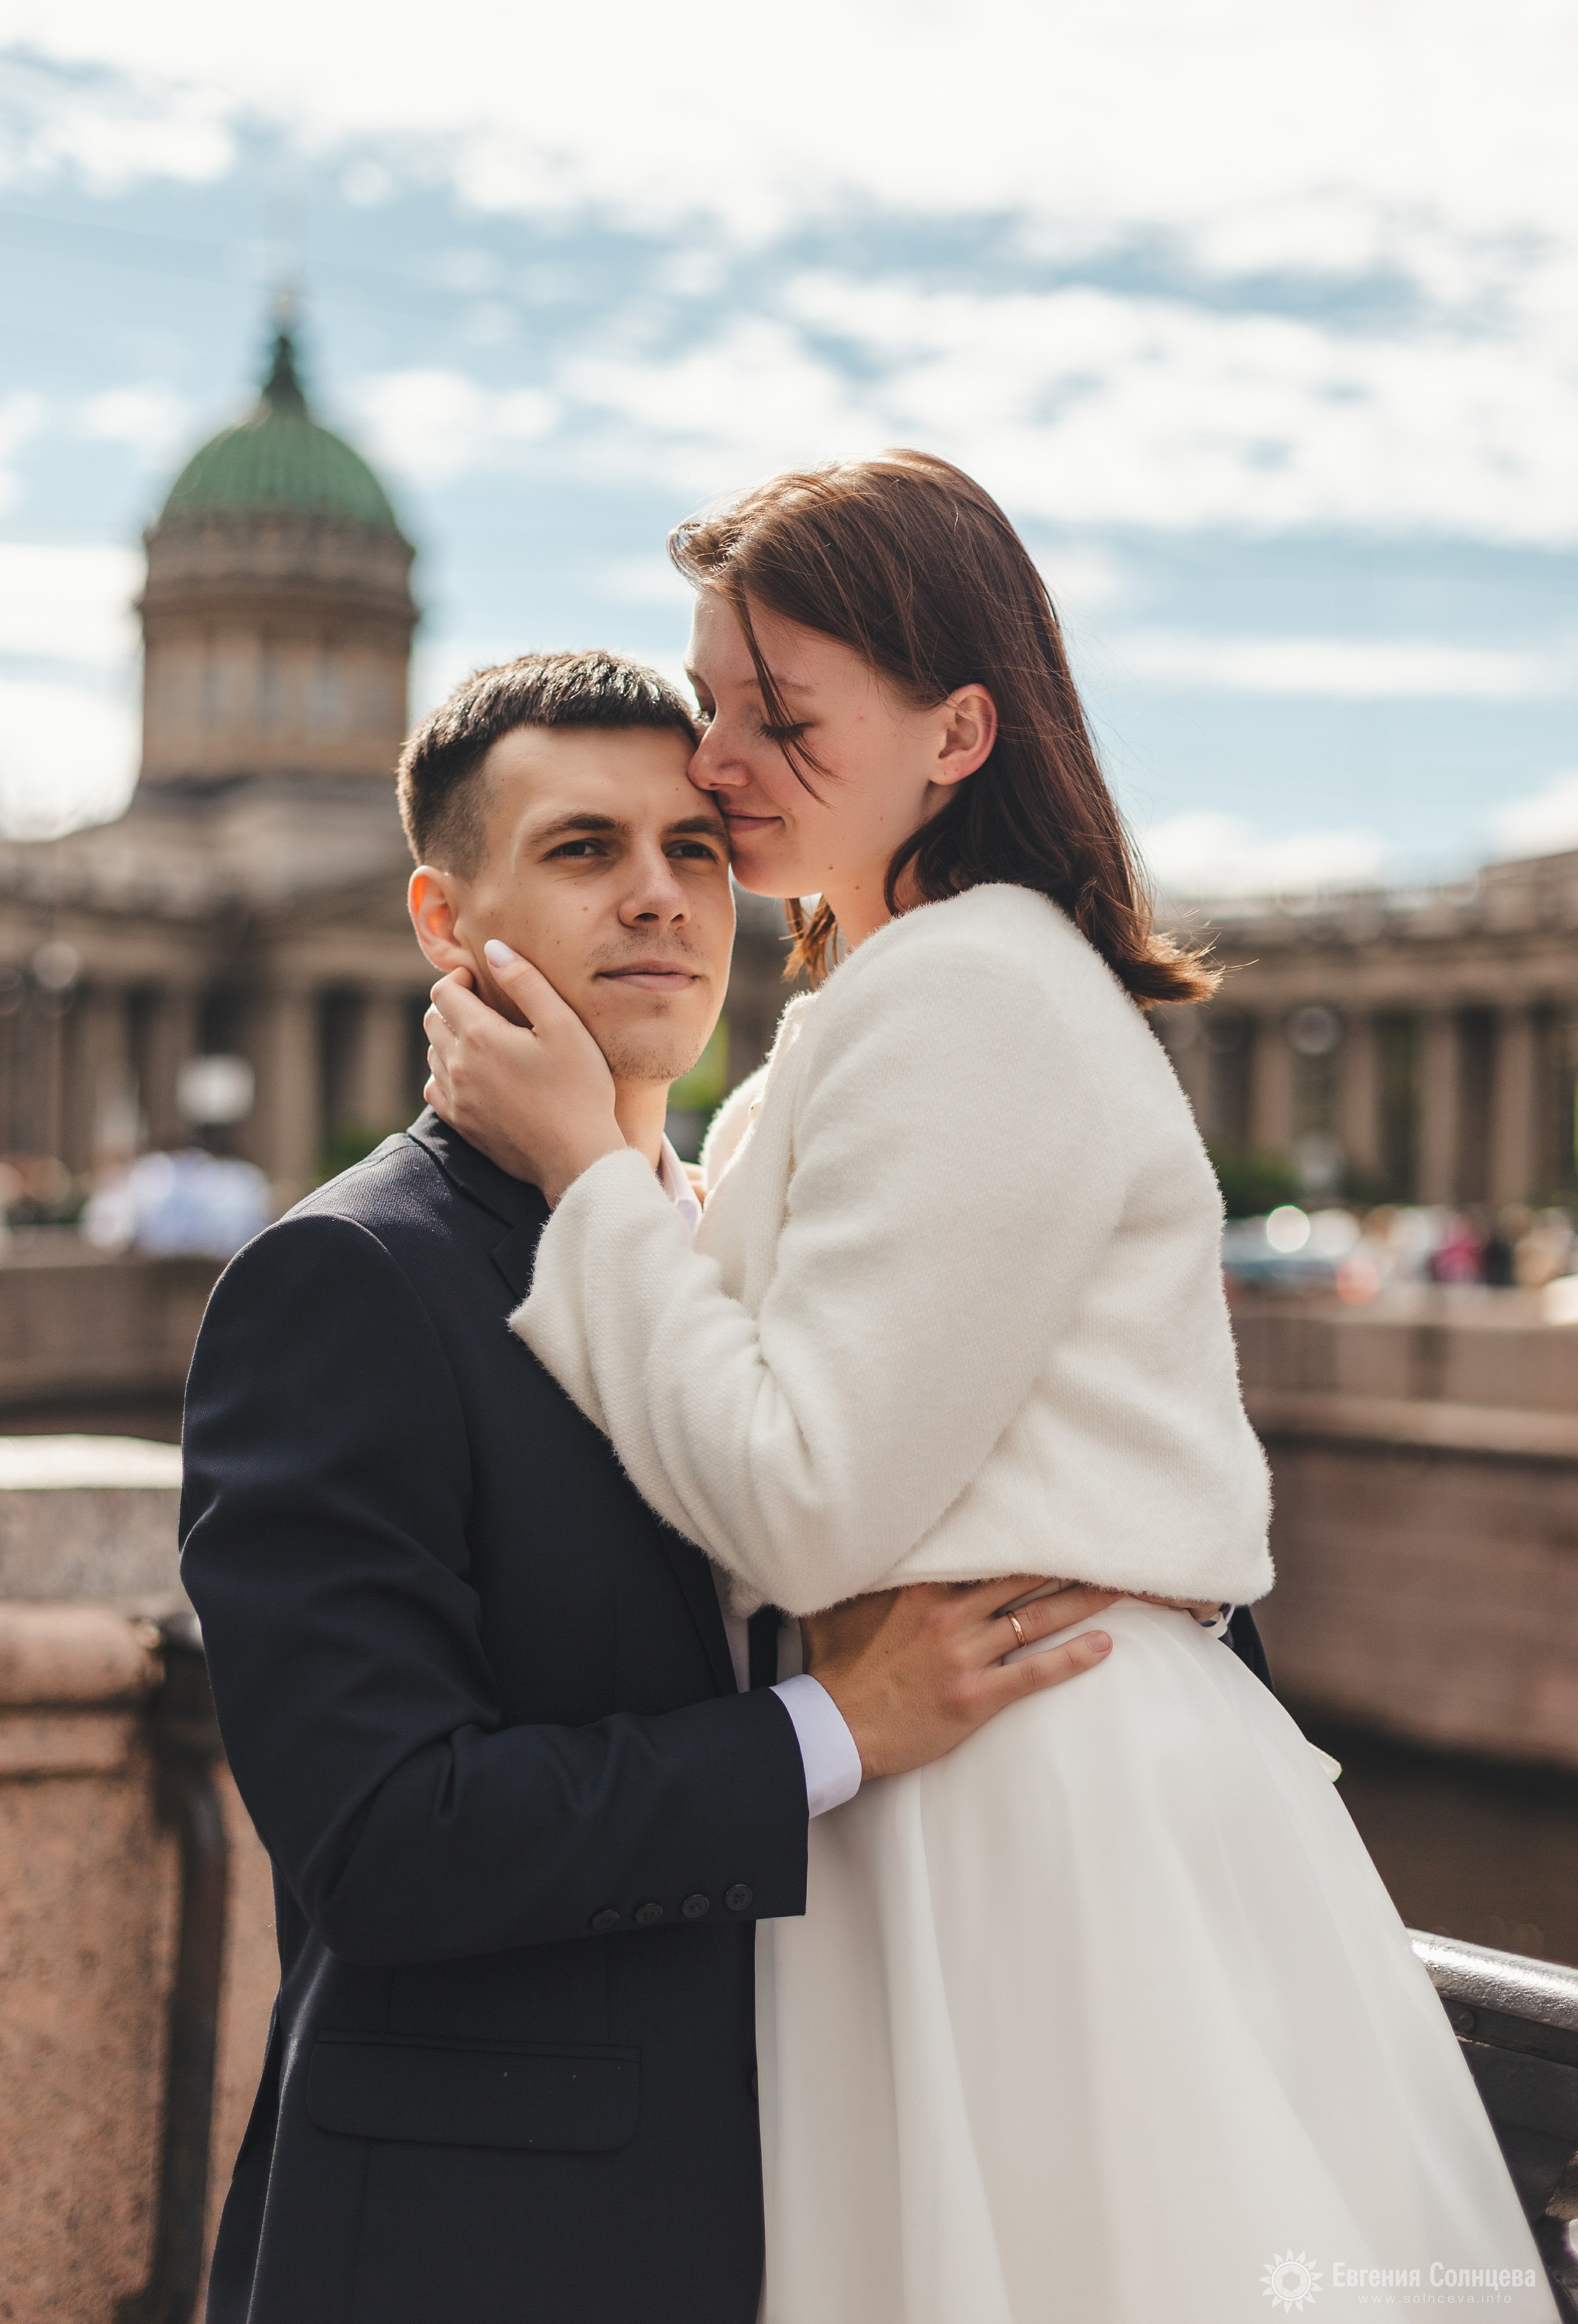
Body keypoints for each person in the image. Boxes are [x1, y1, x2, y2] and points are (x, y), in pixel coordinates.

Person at [424, 460, 1555, 2323]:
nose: (719, 760)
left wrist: (584, 1177)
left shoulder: (968, 998)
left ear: (961, 732)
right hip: (984, 1767)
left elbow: (802, 1502)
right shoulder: (892, 999)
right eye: (716, 701)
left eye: (784, 716)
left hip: (1017, 1800)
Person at [179, 649, 1122, 2324]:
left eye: (694, 849)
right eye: (581, 849)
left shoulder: (774, 1264)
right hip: (486, 2254)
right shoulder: (343, 1282)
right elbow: (389, 1842)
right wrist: (839, 1726)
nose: (659, 900)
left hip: (822, 2201)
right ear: (439, 915)